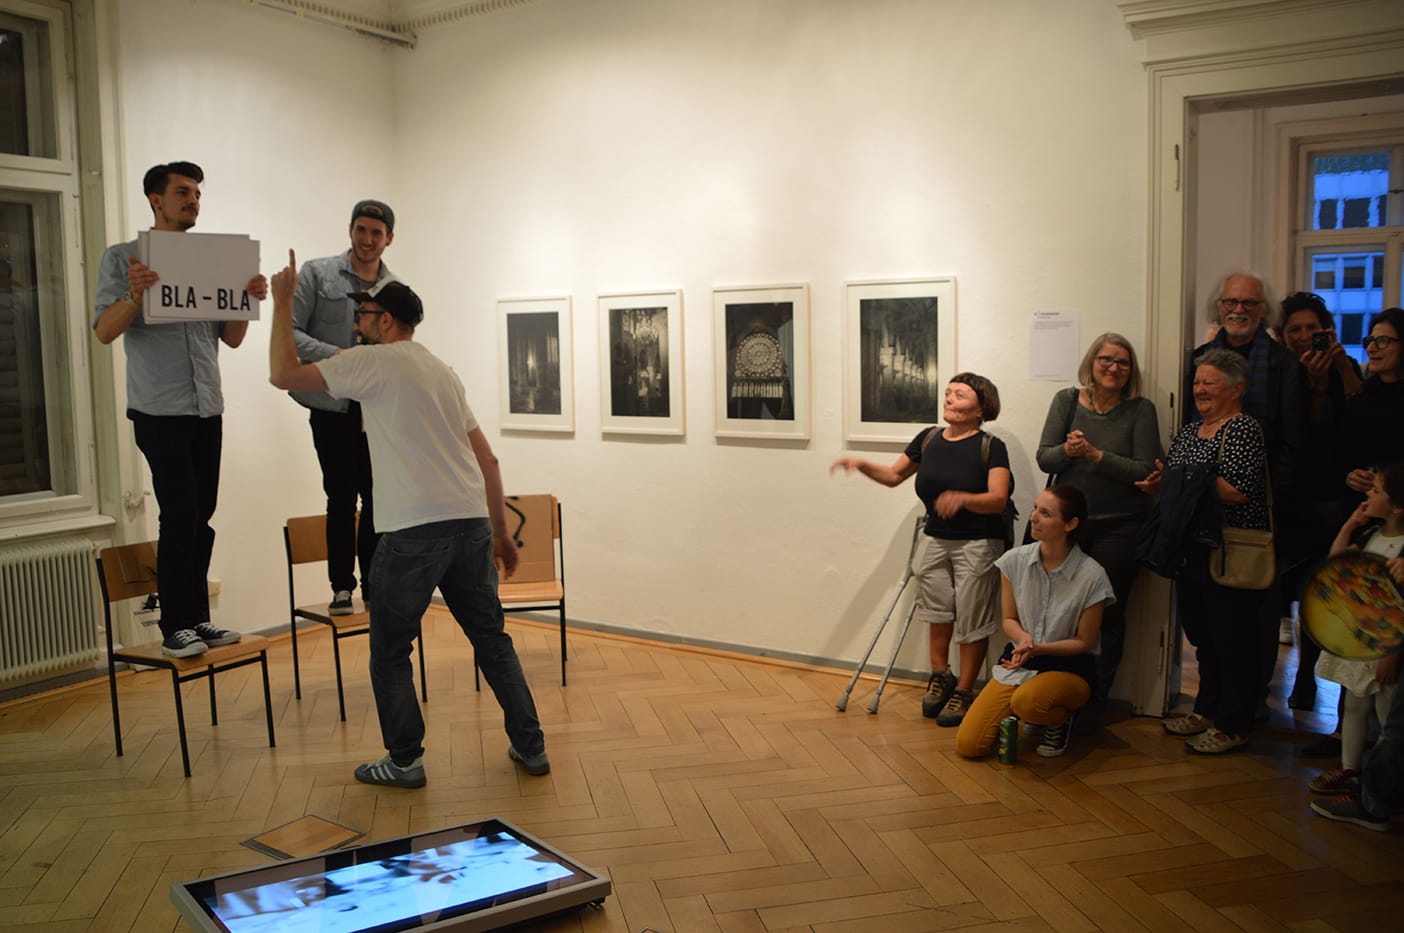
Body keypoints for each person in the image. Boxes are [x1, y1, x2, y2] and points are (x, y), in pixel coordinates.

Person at [268, 252, 547, 787]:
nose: (357, 321)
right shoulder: (443, 372)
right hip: (469, 522)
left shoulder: (370, 363)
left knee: (391, 651)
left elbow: (283, 374)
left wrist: (283, 304)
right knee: (492, 640)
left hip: (413, 529)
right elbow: (488, 460)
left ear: (386, 322)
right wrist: (501, 532)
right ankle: (532, 747)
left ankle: (404, 761)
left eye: (365, 313)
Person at [92, 161, 268, 658]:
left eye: (197, 194)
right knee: (181, 512)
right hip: (158, 408)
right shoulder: (123, 258)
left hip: (206, 405)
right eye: (183, 192)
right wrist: (135, 294)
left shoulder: (212, 260)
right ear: (156, 200)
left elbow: (231, 339)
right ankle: (174, 625)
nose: (193, 201)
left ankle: (196, 618)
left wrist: (246, 301)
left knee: (201, 514)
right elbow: (104, 330)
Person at [832, 373, 1012, 728]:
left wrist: (963, 498)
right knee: (937, 609)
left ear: (981, 408)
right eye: (948, 393)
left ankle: (964, 690)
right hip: (934, 538)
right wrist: (862, 464)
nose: (949, 399)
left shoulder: (991, 446)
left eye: (960, 395)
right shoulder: (929, 438)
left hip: (978, 542)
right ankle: (941, 675)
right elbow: (893, 476)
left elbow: (998, 499)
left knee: (972, 616)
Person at [1188, 272, 1308, 719]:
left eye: (1249, 303)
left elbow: (1293, 444)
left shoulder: (1284, 365)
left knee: (1250, 620)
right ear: (1218, 306)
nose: (1238, 310)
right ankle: (1210, 703)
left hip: (1255, 516)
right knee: (1203, 617)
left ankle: (1247, 707)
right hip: (1202, 513)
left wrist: (1258, 497)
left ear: (1264, 310)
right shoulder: (1197, 360)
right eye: (1231, 301)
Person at [1144, 349, 1270, 754]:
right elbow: (1179, 481)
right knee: (1204, 638)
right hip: (1190, 550)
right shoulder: (1190, 431)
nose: (1199, 389)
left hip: (1229, 550)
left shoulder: (1243, 429)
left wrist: (1182, 480)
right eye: (1197, 382)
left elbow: (1237, 491)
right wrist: (1166, 482)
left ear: (1236, 388)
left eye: (1208, 382)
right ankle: (1206, 710)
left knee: (1234, 641)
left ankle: (1233, 725)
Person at [1034, 333, 1160, 729]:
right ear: (1091, 362)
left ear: (1131, 370)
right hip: (1068, 528)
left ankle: (1093, 702)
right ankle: (1052, 694)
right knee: (1058, 612)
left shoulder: (1140, 409)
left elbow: (1145, 470)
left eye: (1123, 362)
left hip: (1120, 527)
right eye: (1106, 359)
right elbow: (1045, 458)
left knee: (1107, 613)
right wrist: (1068, 452)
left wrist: (1095, 455)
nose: (1114, 368)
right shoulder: (1066, 401)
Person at [289, 200, 397, 613]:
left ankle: (375, 584)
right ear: (350, 229)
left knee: (377, 498)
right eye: (361, 229)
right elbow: (290, 332)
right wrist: (337, 356)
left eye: (376, 233)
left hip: (376, 408)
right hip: (330, 404)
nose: (368, 239)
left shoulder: (395, 289)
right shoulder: (316, 273)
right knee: (340, 496)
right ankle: (341, 587)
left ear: (389, 238)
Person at [955, 484, 1113, 760]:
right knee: (969, 745)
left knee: (1027, 702)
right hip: (1020, 662)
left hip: (1070, 668)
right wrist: (1024, 639)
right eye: (1034, 508)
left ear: (1070, 524)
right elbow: (1009, 620)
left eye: (1045, 513)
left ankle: (1057, 719)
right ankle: (1035, 713)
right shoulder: (1014, 561)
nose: (1033, 517)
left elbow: (1084, 642)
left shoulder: (1092, 576)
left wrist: (1039, 648)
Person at [1277, 292, 1361, 716]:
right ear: (1282, 335)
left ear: (1327, 330)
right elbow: (1299, 433)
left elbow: (1360, 420)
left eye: (1313, 328)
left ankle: (1314, 679)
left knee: (1324, 590)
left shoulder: (1348, 368)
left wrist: (1340, 370)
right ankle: (1293, 679)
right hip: (1292, 497)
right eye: (1295, 329)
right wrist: (1314, 386)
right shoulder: (1283, 373)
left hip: (1336, 496)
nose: (1304, 336)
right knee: (1289, 587)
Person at [1307, 464, 1403, 796]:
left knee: (1387, 716)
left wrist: (1392, 655)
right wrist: (1350, 524)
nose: (1368, 495)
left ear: (1396, 505)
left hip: (1386, 647)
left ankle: (1384, 782)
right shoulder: (1369, 535)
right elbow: (1336, 561)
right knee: (1353, 706)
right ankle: (1349, 768)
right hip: (1361, 642)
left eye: (1376, 491)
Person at [1343, 308, 1404, 501]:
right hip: (1366, 503)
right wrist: (1351, 476)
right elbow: (1348, 455)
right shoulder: (1362, 398)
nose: (1371, 348)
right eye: (1370, 341)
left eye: (1382, 341)